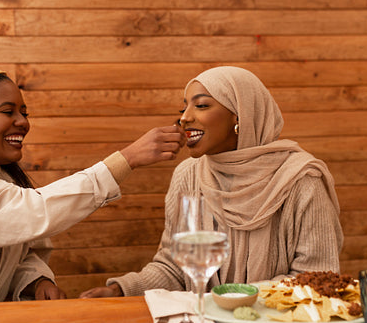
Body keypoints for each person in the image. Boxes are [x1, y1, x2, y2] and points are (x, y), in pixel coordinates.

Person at [0, 54, 185, 304]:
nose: (23, 121)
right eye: (8, 111)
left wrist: (34, 281)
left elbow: (15, 248)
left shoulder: (2, 179)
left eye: (24, 112)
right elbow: (30, 213)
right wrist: (127, 159)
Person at [80, 66, 344, 298]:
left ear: (239, 116)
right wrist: (122, 290)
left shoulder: (302, 179)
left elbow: (316, 277)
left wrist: (234, 302)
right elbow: (175, 268)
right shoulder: (189, 175)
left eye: (202, 105)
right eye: (184, 107)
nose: (185, 117)